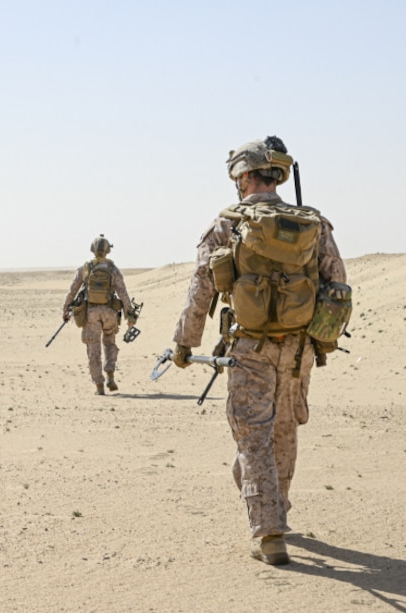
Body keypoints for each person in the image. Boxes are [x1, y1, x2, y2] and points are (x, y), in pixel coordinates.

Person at [171, 136, 348, 566]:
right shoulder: (313, 224)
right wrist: (321, 341)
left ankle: (269, 533)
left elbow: (201, 290)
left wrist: (184, 343)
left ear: (244, 176)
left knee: (253, 439)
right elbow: (338, 285)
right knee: (283, 432)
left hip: (250, 349)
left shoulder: (227, 224)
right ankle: (276, 510)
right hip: (299, 350)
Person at [62, 235, 137, 395]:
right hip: (110, 313)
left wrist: (66, 308)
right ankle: (110, 374)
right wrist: (129, 317)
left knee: (93, 348)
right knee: (109, 343)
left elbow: (73, 290)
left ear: (92, 249)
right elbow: (123, 294)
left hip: (92, 314)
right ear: (108, 250)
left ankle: (99, 386)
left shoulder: (85, 269)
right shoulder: (113, 269)